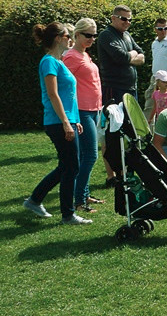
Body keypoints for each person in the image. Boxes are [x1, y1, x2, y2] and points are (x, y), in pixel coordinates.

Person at [24, 22, 91, 224]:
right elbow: (53, 94)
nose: (70, 39)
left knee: (67, 166)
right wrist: (66, 122)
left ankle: (35, 200)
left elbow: (69, 95)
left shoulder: (58, 62)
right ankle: (68, 214)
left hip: (67, 120)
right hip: (57, 122)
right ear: (58, 38)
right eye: (68, 36)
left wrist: (75, 120)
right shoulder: (48, 62)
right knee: (72, 167)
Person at [62, 17, 106, 214]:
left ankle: (84, 194)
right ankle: (79, 200)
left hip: (93, 109)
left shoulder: (85, 55)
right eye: (88, 35)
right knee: (90, 155)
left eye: (94, 35)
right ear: (77, 34)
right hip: (81, 110)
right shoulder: (71, 57)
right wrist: (70, 115)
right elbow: (63, 85)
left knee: (84, 155)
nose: (92, 39)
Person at [143, 18, 167, 121]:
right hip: (155, 78)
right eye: (160, 29)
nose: (163, 31)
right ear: (155, 29)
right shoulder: (154, 43)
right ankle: (147, 130)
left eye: (166, 28)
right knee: (150, 105)